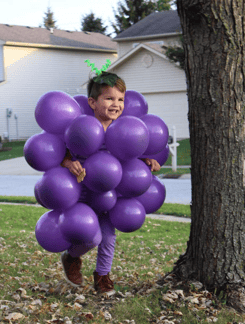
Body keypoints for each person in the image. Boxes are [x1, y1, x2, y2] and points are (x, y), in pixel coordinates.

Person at [60, 71, 160, 296]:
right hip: (83, 195)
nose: (116, 104)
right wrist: (68, 163)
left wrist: (145, 162)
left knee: (108, 237)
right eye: (109, 98)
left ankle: (103, 277)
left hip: (110, 197)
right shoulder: (81, 128)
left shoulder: (125, 130)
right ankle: (72, 257)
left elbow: (127, 156)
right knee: (91, 237)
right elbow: (61, 153)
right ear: (92, 102)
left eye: (120, 99)